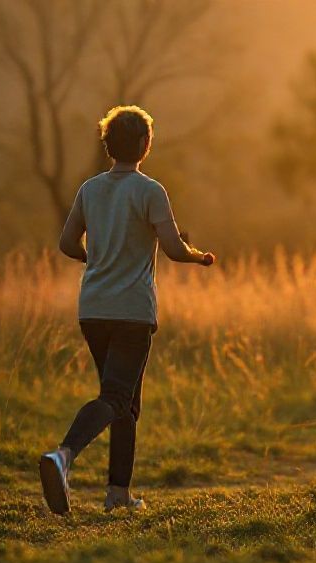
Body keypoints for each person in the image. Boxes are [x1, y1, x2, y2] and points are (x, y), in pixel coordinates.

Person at [39, 105, 215, 515]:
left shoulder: (90, 189)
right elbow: (172, 249)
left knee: (125, 403)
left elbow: (67, 244)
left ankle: (118, 493)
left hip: (94, 309)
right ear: (143, 144)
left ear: (107, 145)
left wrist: (98, 261)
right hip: (132, 312)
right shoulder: (150, 191)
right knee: (117, 396)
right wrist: (198, 257)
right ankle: (63, 456)